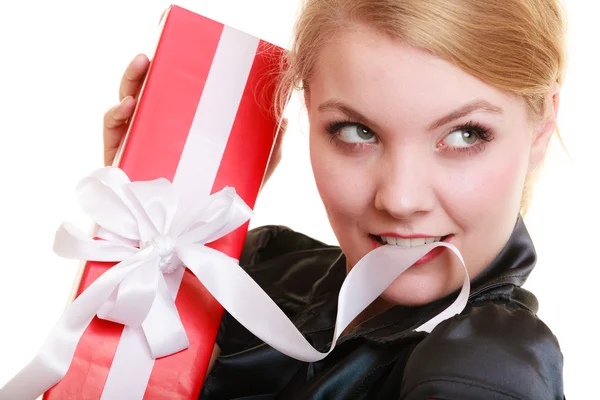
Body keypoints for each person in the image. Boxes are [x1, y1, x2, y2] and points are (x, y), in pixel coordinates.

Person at [103, 0, 567, 398]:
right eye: (357, 132)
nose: (401, 199)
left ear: (541, 130)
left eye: (465, 135)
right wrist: (155, 223)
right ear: (308, 111)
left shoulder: (492, 364)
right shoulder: (258, 269)